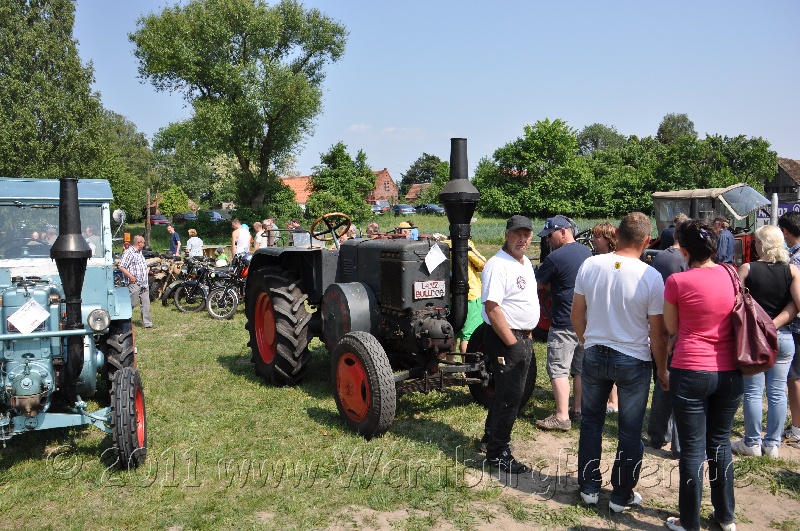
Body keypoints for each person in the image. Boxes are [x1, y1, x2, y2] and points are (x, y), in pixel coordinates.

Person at [572, 212, 667, 513]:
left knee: (591, 423)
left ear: (618, 234)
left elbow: (576, 314)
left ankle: (588, 486)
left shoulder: (590, 264)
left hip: (596, 351)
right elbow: (658, 332)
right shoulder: (650, 276)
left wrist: (589, 341)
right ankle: (620, 493)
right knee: (629, 431)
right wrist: (662, 368)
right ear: (646, 241)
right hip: (633, 358)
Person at [663, 219, 741, 531]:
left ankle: (689, 521)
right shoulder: (730, 273)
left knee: (692, 450)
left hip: (692, 368)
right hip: (731, 371)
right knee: (720, 444)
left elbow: (672, 328)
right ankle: (725, 517)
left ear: (683, 249)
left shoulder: (678, 282)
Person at [731, 225, 800, 459]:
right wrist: (774, 324)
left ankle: (751, 442)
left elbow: (736, 304)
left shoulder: (747, 269)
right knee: (778, 392)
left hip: (753, 339)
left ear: (761, 243)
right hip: (783, 337)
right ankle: (772, 444)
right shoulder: (791, 271)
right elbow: (798, 304)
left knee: (752, 392)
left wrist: (761, 325)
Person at [480, 215, 539, 474]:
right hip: (506, 338)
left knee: (509, 392)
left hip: (521, 336)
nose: (522, 239)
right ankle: (498, 453)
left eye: (527, 234)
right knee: (511, 395)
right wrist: (513, 343)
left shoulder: (525, 262)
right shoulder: (497, 264)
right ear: (507, 234)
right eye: (517, 233)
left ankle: (490, 438)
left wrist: (527, 333)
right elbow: (492, 308)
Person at [534, 216, 592, 431]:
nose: (548, 240)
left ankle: (561, 415)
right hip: (586, 322)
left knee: (558, 368)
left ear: (563, 232)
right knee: (579, 369)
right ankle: (577, 410)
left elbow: (538, 284)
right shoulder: (588, 253)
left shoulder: (555, 258)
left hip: (563, 321)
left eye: (550, 235)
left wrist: (551, 286)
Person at [646, 219, 688, 458]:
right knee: (679, 385)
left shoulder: (660, 257)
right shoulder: (684, 260)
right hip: (677, 328)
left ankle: (658, 434)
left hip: (658, 325)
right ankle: (678, 445)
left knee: (663, 382)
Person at [435, 233, 487, 354]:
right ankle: (465, 371)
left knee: (452, 333)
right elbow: (483, 263)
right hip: (470, 296)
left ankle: (449, 364)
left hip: (450, 295)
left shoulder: (440, 246)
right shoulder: (465, 244)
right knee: (469, 336)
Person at [589, 222, 620, 413]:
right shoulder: (594, 261)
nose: (592, 239)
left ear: (608, 240)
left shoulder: (616, 262)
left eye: (596, 236)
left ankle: (614, 401)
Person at [779, 211, 800, 448]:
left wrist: (774, 322)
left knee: (795, 379)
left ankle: (797, 429)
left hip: (796, 326)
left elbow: (796, 301)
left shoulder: (795, 260)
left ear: (785, 232)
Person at [117, 235, 154, 329]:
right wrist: (131, 277)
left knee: (146, 304)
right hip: (134, 283)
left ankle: (147, 324)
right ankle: (122, 322)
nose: (144, 244)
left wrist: (148, 271)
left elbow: (140, 266)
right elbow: (121, 266)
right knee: (132, 303)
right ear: (139, 243)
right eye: (143, 242)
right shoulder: (129, 252)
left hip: (144, 283)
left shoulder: (139, 252)